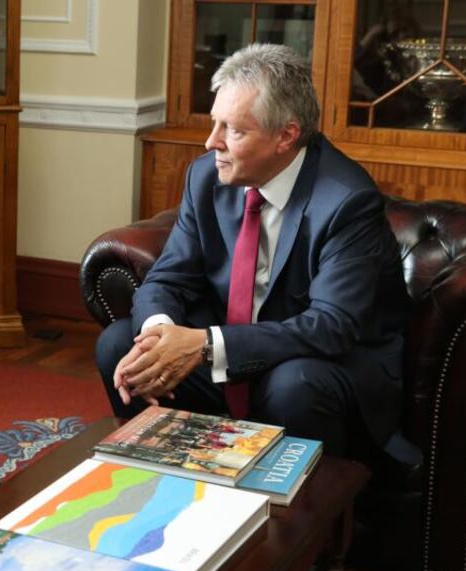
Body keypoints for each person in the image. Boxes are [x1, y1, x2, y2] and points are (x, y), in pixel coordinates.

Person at [95, 44, 413, 460]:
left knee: (293, 384)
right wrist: (161, 336)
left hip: (320, 364)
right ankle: (165, 484)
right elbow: (169, 277)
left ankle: (296, 519)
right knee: (122, 346)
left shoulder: (346, 201)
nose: (212, 143)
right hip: (236, 354)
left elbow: (330, 327)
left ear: (286, 136)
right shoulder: (206, 177)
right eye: (214, 124)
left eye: (234, 130)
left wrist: (205, 346)